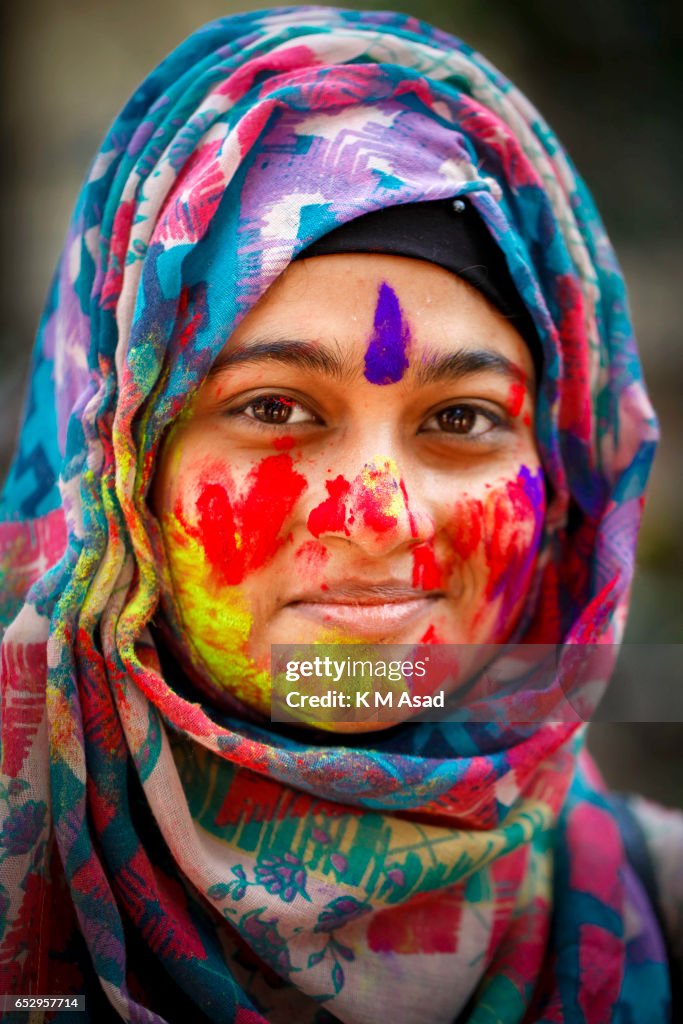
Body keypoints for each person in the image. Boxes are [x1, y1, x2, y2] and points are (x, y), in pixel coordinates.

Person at [0, 7, 680, 1022]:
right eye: (274, 408)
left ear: (563, 479)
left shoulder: (659, 903)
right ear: (121, 472)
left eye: (460, 416)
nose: (379, 517)